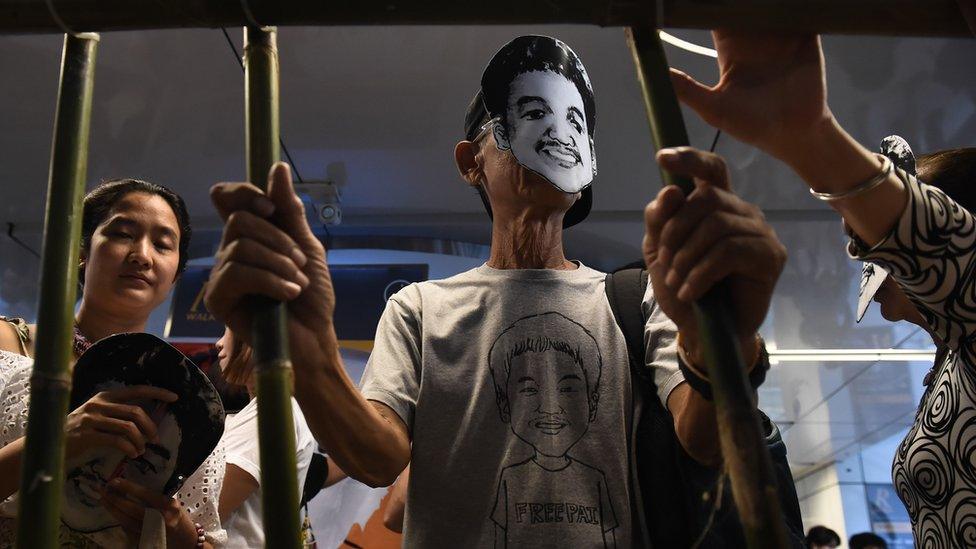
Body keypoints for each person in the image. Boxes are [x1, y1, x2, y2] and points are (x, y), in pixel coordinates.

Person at [204, 35, 785, 547]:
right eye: (532, 112)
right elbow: (377, 458)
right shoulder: (419, 310)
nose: (558, 132)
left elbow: (704, 441)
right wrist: (309, 353)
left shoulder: (641, 301)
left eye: (575, 121)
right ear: (470, 161)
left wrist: (722, 338)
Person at [666, 28, 976, 547]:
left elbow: (940, 247)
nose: (874, 278)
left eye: (886, 246)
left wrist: (811, 138)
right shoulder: (950, 361)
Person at [0, 179, 225, 547]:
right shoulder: (9, 346)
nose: (142, 255)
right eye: (123, 233)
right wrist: (56, 442)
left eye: (163, 244)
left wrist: (181, 535)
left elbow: (203, 533)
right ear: (82, 250)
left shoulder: (188, 401)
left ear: (175, 275)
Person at [214, 327, 317, 547]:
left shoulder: (271, 410)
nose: (219, 343)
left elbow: (207, 511)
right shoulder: (266, 410)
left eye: (229, 330)